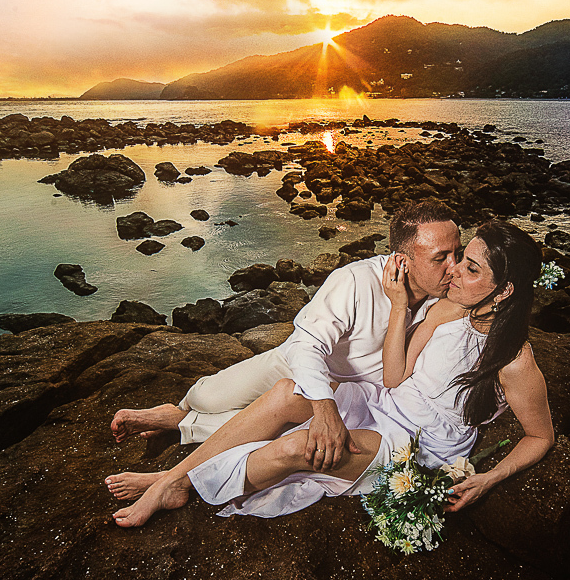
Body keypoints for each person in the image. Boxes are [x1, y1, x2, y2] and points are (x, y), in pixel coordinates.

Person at [112, 220, 555, 528]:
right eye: (458, 258)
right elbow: (395, 377)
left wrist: (488, 478)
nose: (454, 269)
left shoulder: (515, 361)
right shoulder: (447, 309)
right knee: (288, 392)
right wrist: (401, 307)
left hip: (420, 444)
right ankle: (174, 480)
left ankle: (176, 482)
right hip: (384, 401)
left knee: (305, 447)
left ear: (505, 290)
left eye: (470, 266)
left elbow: (540, 436)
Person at [107, 200, 461, 484]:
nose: (454, 266)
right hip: (298, 361)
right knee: (207, 397)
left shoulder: (447, 295)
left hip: (358, 393)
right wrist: (324, 408)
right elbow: (307, 345)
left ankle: (179, 425)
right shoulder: (355, 281)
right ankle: (180, 410)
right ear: (402, 260)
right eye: (440, 257)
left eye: (457, 253)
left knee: (270, 430)